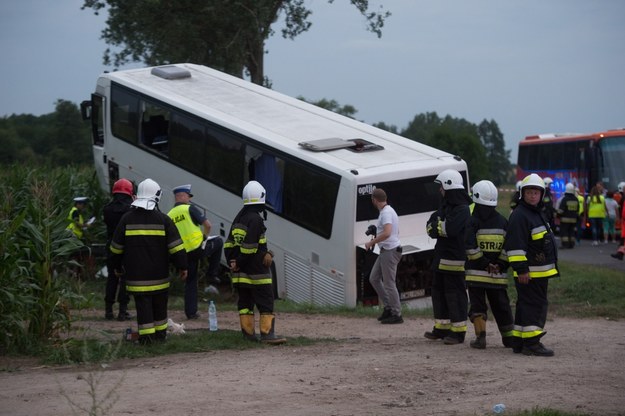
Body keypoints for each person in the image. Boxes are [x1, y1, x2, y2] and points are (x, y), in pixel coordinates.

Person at [109, 178, 188, 345]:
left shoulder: (126, 219)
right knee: (160, 307)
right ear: (157, 196)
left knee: (143, 308)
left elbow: (116, 248)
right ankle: (160, 338)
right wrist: (183, 267)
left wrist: (116, 266)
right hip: (160, 277)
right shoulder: (164, 220)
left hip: (137, 278)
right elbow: (176, 248)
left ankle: (147, 341)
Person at [224, 180, 286, 344]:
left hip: (241, 275)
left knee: (245, 303)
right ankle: (267, 335)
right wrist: (240, 261)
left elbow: (229, 244)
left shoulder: (239, 218)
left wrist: (233, 261)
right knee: (266, 301)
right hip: (256, 273)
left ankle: (248, 335)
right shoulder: (255, 220)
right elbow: (250, 247)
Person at [505, 173, 558, 356]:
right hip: (530, 273)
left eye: (536, 192)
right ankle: (532, 343)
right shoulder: (521, 215)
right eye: (529, 192)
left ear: (542, 194)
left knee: (525, 305)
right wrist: (521, 270)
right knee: (534, 305)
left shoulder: (536, 213)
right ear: (523, 194)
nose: (533, 196)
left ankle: (519, 341)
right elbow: (515, 247)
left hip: (538, 272)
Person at [464, 180, 514, 349]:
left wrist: (484, 264)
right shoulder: (503, 222)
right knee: (502, 307)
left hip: (476, 275)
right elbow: (509, 247)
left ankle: (481, 339)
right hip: (497, 276)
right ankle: (509, 339)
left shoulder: (472, 221)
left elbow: (470, 247)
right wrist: (499, 264)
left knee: (478, 306)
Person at [424, 169, 471, 345]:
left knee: (455, 295)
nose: (439, 191)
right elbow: (431, 227)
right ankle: (442, 329)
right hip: (440, 259)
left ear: (449, 186)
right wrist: (437, 226)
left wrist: (437, 226)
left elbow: (449, 230)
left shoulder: (462, 209)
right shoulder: (445, 208)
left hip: (454, 260)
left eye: (441, 187)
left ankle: (458, 333)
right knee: (438, 294)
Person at [167, 184, 224, 320]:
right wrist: (204, 238)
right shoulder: (189, 209)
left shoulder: (169, 215)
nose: (190, 199)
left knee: (190, 281)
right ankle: (212, 274)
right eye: (188, 196)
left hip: (181, 254)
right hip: (197, 248)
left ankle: (191, 313)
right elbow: (208, 225)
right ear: (182, 196)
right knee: (219, 242)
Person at [364, 188, 403, 324]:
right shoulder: (387, 211)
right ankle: (388, 307)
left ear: (374, 200)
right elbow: (391, 231)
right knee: (374, 278)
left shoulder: (386, 213)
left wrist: (371, 242)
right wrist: (376, 231)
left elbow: (387, 233)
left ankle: (396, 314)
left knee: (389, 283)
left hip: (390, 251)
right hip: (386, 250)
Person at [103, 178, 134, 321]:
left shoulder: (107, 209)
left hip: (111, 246)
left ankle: (108, 310)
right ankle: (123, 311)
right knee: (125, 279)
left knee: (112, 277)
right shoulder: (131, 209)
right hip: (127, 248)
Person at [555, 183, 579, 249]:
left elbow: (561, 210)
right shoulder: (576, 199)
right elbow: (577, 209)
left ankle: (565, 244)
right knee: (571, 232)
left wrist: (557, 215)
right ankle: (571, 244)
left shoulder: (564, 199)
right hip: (573, 219)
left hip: (565, 219)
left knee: (564, 232)